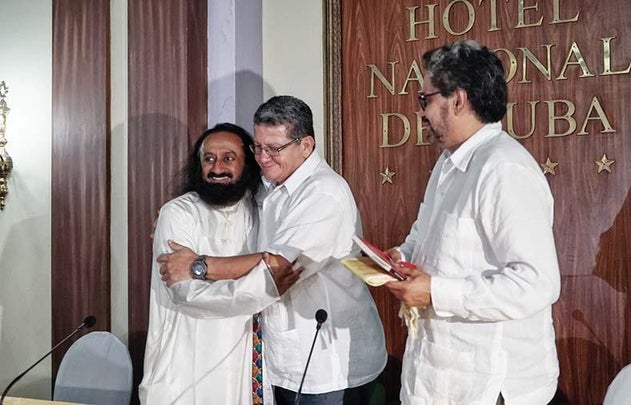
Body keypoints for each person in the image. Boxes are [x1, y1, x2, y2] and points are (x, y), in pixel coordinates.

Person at [159, 96, 387, 405]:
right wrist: (173, 216)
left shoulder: (324, 194)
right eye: (258, 147)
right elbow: (225, 191)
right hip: (282, 363)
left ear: (306, 146)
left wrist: (197, 266)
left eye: (274, 149)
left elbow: (278, 264)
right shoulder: (270, 186)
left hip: (326, 365)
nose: (263, 158)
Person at [384, 40, 561, 404]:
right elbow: (426, 232)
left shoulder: (504, 168)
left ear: (458, 100)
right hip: (438, 377)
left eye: (426, 100)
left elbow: (536, 284)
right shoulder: (449, 163)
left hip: (488, 385)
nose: (422, 113)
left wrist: (435, 291)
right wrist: (400, 256)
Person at [139, 123, 300, 405]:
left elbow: (288, 261)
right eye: (208, 159)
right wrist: (265, 286)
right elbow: (188, 294)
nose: (217, 168)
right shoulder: (177, 213)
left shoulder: (263, 211)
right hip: (183, 366)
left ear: (247, 164)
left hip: (242, 363)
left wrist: (200, 266)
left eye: (228, 158)